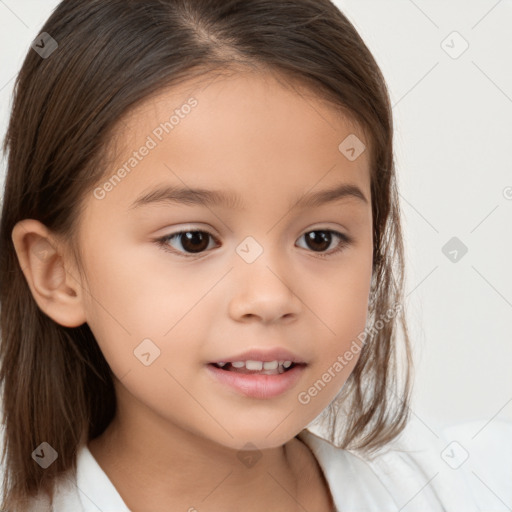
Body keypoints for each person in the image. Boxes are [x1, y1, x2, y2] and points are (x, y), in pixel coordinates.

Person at [0, 0, 499, 510]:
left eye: (320, 238)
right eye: (193, 239)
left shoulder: (472, 486)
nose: (268, 297)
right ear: (57, 273)